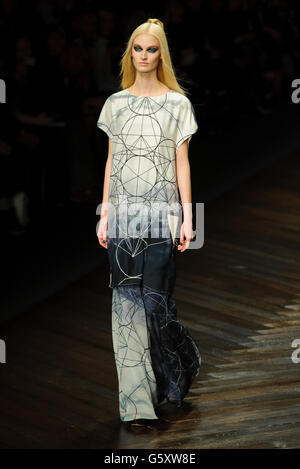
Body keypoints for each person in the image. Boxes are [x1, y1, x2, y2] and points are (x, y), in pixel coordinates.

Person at [96, 18, 201, 426]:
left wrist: (188, 218)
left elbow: (182, 164)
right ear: (130, 54)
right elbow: (112, 160)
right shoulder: (115, 104)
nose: (143, 56)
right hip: (122, 216)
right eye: (137, 49)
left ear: (162, 54)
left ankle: (178, 368)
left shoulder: (178, 104)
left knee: (157, 307)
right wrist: (104, 212)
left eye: (151, 49)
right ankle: (136, 403)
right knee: (126, 310)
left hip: (161, 216)